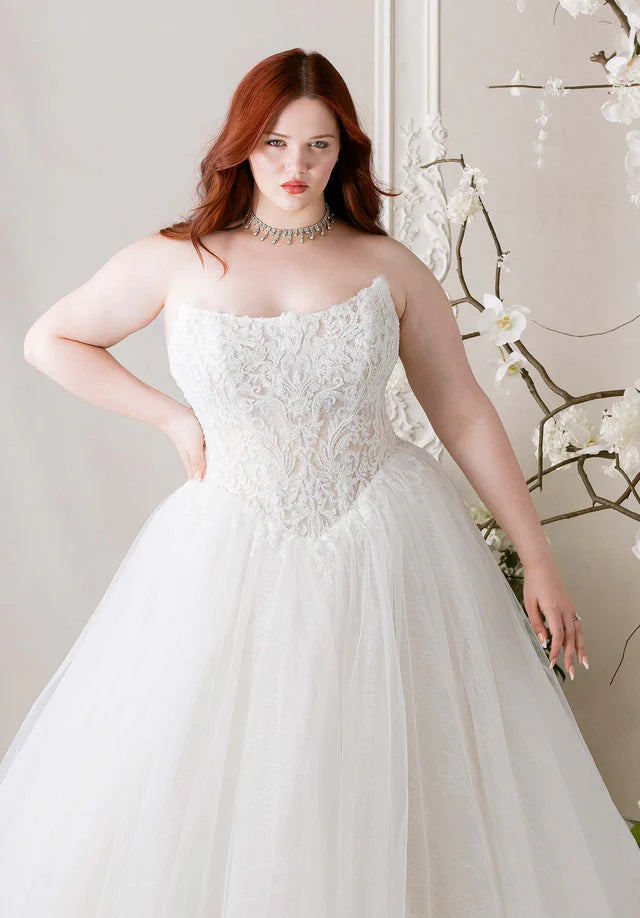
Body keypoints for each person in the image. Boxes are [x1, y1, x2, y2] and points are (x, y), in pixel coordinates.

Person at [2, 46, 639, 917]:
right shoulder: (181, 258)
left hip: (386, 543)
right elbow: (50, 340)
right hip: (228, 546)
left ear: (345, 151)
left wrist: (539, 561)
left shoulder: (388, 267)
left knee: (393, 773)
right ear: (241, 145)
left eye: (317, 145)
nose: (294, 166)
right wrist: (174, 419)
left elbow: (462, 412)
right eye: (273, 143)